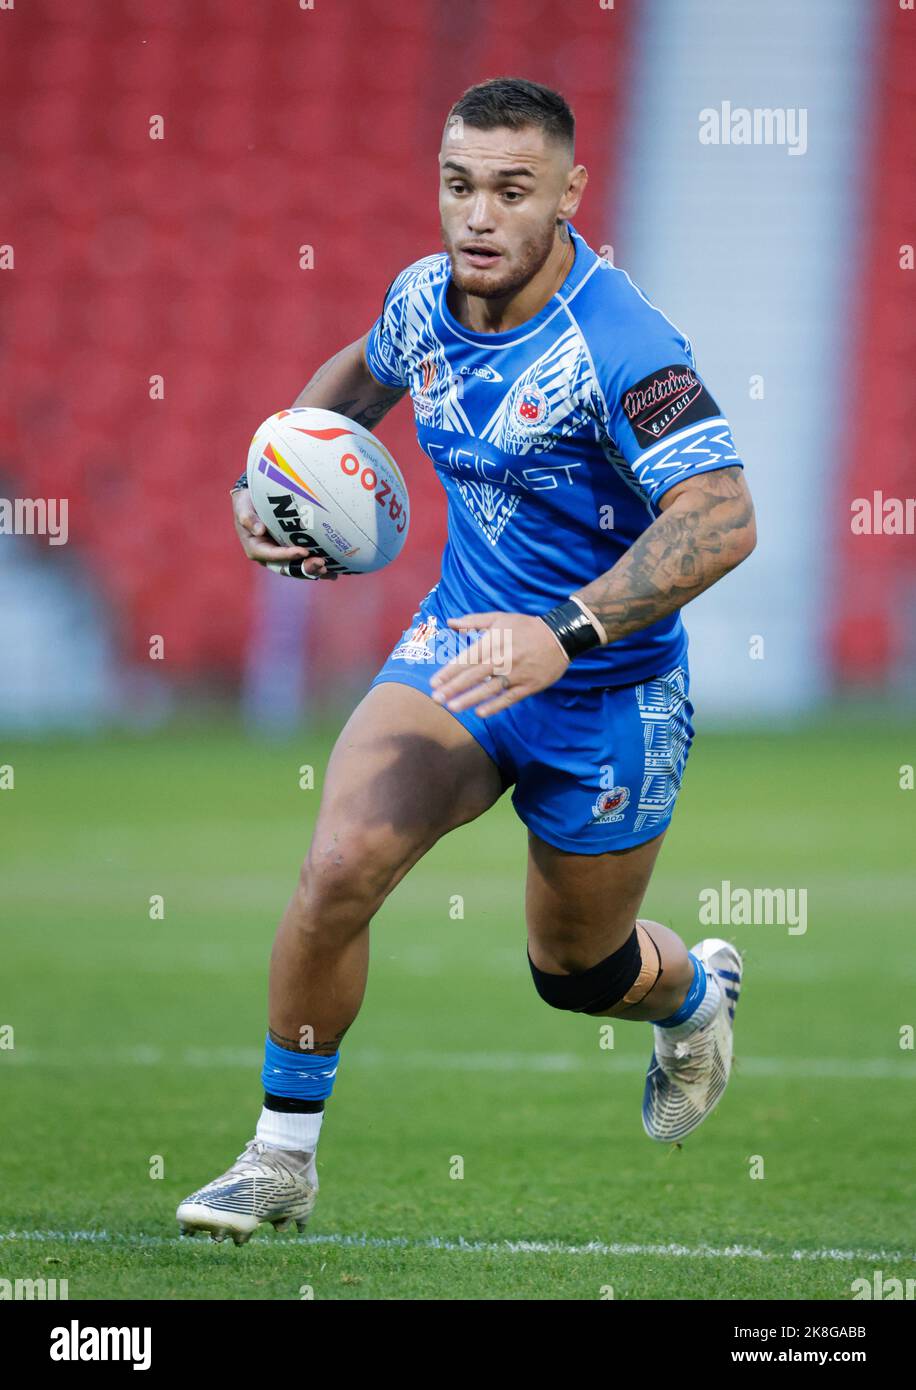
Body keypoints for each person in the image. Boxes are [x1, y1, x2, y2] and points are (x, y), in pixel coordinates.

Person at [177, 77, 756, 1245]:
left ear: (567, 193)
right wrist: (275, 473)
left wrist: (566, 633)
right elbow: (360, 371)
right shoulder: (421, 301)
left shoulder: (622, 343)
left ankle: (693, 996)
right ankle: (279, 1157)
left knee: (575, 969)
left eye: (510, 190)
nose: (478, 217)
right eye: (457, 187)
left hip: (609, 690)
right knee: (338, 865)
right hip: (457, 649)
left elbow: (722, 514)